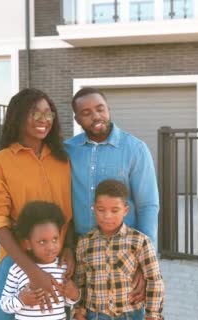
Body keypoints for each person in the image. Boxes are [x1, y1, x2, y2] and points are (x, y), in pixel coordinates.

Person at [0, 88, 75, 320]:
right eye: (35, 113)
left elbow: (70, 212)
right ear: (19, 116)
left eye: (48, 113)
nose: (44, 120)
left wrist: (70, 248)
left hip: (58, 260)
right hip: (17, 262)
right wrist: (31, 270)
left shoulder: (64, 160)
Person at [64, 87, 159, 304]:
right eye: (86, 113)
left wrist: (145, 263)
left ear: (109, 109)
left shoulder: (135, 148)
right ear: (77, 118)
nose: (96, 116)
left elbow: (148, 205)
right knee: (84, 311)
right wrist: (67, 246)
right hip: (81, 254)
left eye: (100, 109)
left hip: (124, 254)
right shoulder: (67, 150)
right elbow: (64, 202)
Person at [73, 179, 164, 320]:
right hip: (96, 315)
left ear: (125, 210)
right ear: (93, 208)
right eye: (101, 209)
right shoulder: (85, 243)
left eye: (115, 210)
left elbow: (154, 279)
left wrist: (152, 314)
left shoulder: (139, 241)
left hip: (130, 314)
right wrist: (79, 310)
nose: (107, 216)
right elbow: (80, 281)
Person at [0, 201, 80, 319]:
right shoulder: (17, 270)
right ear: (28, 244)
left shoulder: (62, 268)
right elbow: (4, 304)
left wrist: (74, 294)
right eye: (42, 242)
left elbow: (68, 302)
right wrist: (20, 300)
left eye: (55, 239)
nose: (51, 247)